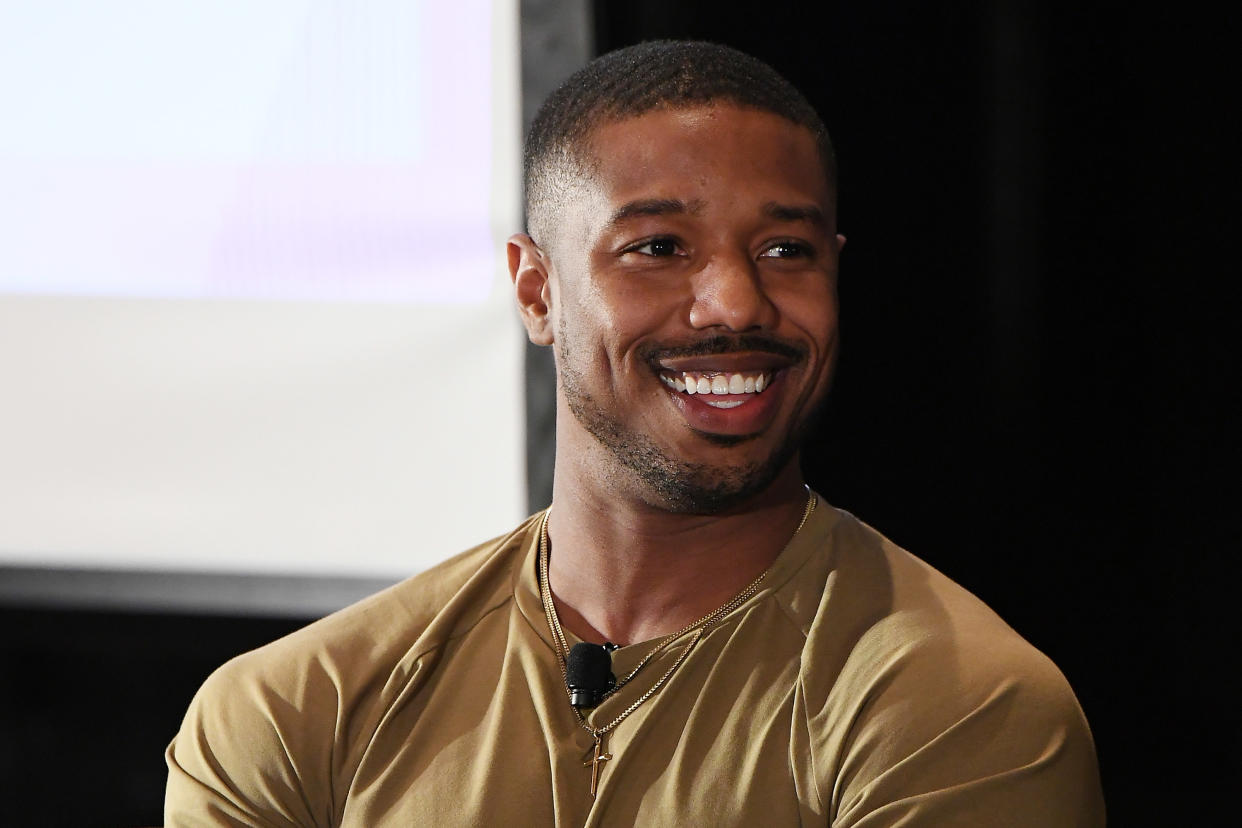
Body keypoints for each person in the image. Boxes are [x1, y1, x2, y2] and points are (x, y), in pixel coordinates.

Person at [165, 40, 1104, 826]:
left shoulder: (962, 707)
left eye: (786, 250)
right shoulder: (294, 714)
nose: (737, 301)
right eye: (658, 248)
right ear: (537, 290)